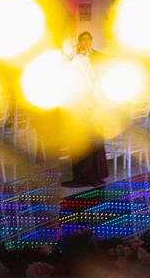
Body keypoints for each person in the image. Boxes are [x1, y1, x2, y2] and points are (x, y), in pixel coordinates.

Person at [61, 32, 109, 188]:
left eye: (88, 40)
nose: (85, 43)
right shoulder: (78, 59)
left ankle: (88, 176)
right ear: (79, 43)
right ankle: (90, 176)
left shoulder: (83, 59)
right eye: (83, 40)